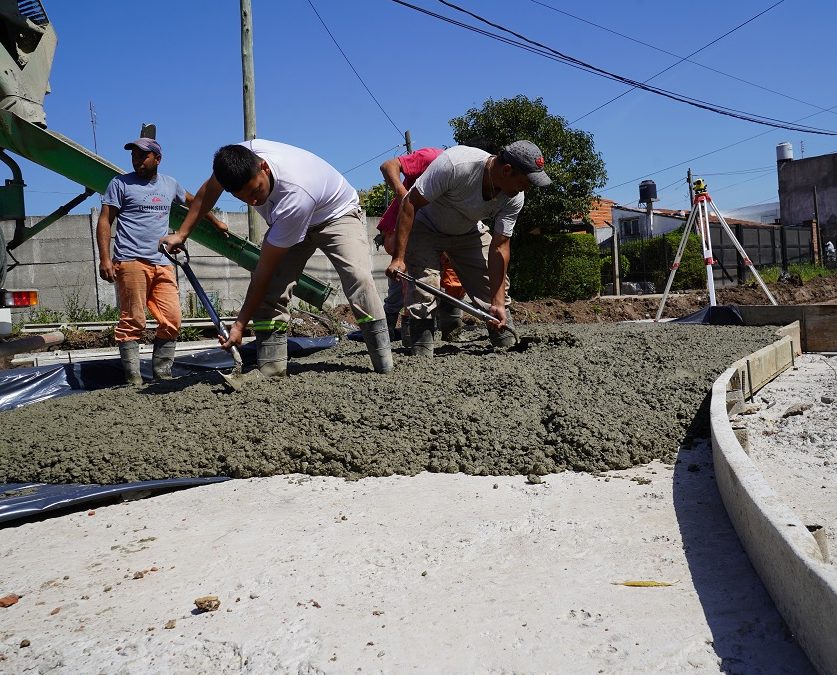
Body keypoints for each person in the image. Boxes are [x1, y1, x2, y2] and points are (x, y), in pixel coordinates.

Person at [161, 140, 393, 377]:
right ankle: (271, 372)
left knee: (358, 278)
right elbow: (207, 193)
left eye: (256, 191)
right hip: (291, 216)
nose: (253, 202)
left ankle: (383, 363)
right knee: (272, 291)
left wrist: (239, 325)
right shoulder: (233, 162)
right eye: (244, 198)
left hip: (335, 213)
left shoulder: (295, 195)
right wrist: (182, 234)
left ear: (264, 167)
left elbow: (264, 270)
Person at [385, 140, 551, 357]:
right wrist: (399, 258)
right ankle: (421, 350)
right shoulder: (456, 165)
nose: (527, 188)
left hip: (468, 231)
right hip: (426, 228)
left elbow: (500, 246)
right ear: (507, 170)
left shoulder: (514, 198)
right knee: (425, 286)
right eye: (526, 181)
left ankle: (505, 339)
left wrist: (498, 302)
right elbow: (409, 203)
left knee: (493, 286)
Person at [97, 137, 228, 385]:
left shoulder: (170, 184)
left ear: (157, 158)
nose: (137, 161)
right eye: (134, 156)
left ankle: (162, 375)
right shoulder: (120, 184)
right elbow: (105, 220)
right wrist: (105, 258)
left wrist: (216, 222)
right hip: (131, 260)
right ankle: (133, 379)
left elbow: (195, 201)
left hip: (163, 261)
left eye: (143, 156)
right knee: (133, 320)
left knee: (172, 319)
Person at [378, 148, 466, 343]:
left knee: (450, 279)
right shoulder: (433, 158)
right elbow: (388, 166)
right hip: (403, 225)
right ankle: (401, 332)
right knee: (410, 280)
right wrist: (403, 196)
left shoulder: (468, 180)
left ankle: (448, 328)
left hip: (433, 228)